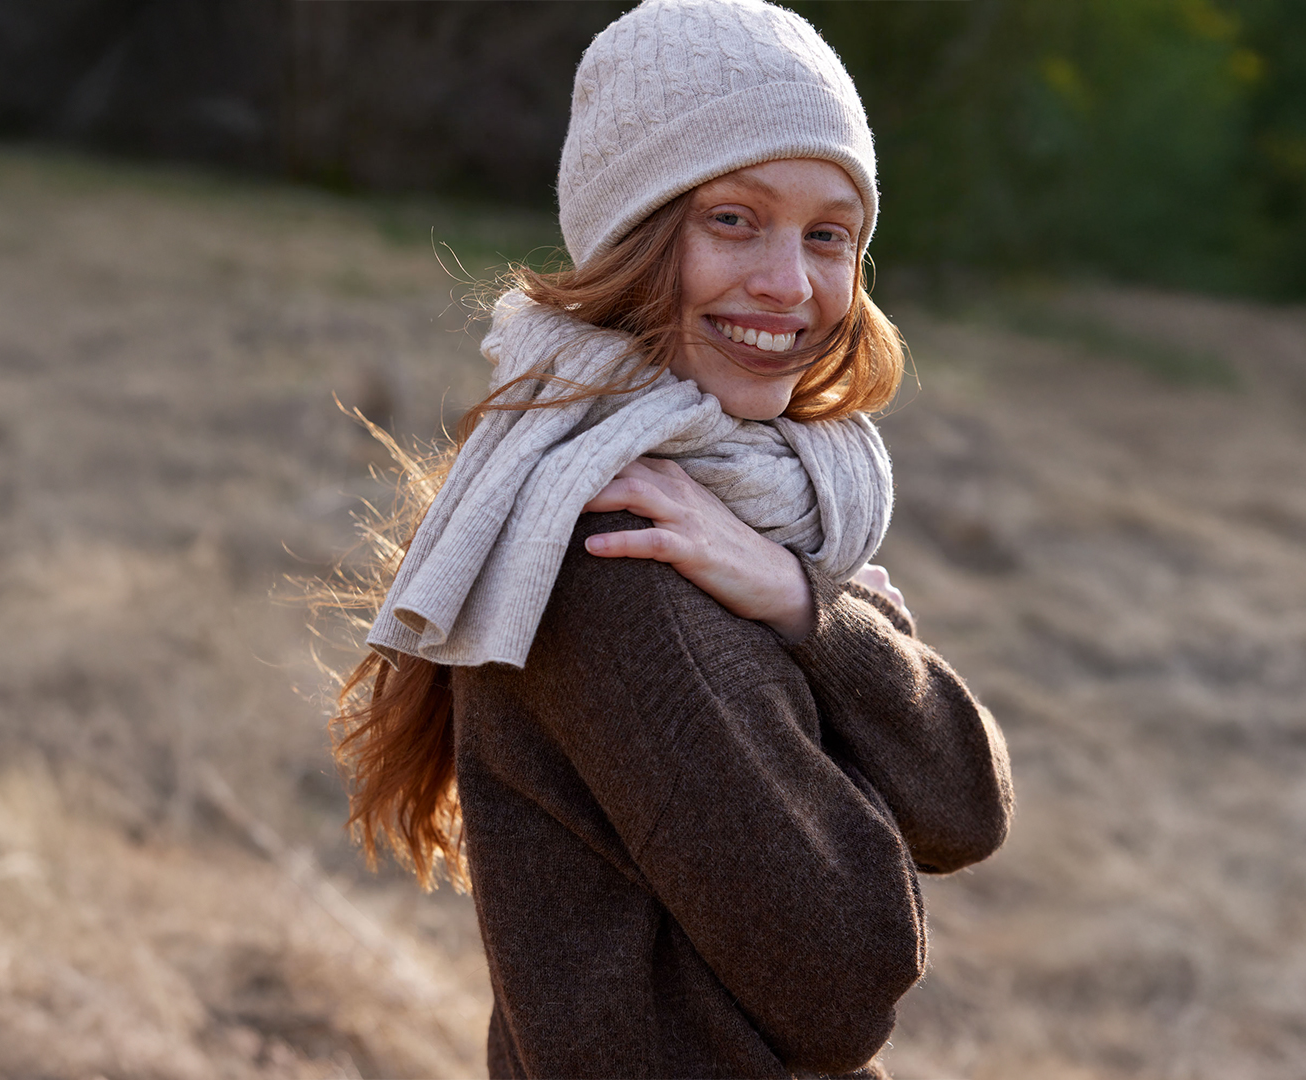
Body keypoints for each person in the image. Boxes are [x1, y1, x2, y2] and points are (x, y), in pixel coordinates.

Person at [326, 1, 1013, 1075]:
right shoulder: (619, 548)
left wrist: (808, 608)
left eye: (829, 233)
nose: (790, 286)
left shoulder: (747, 504)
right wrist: (854, 707)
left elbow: (970, 806)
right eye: (734, 219)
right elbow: (845, 977)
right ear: (634, 238)